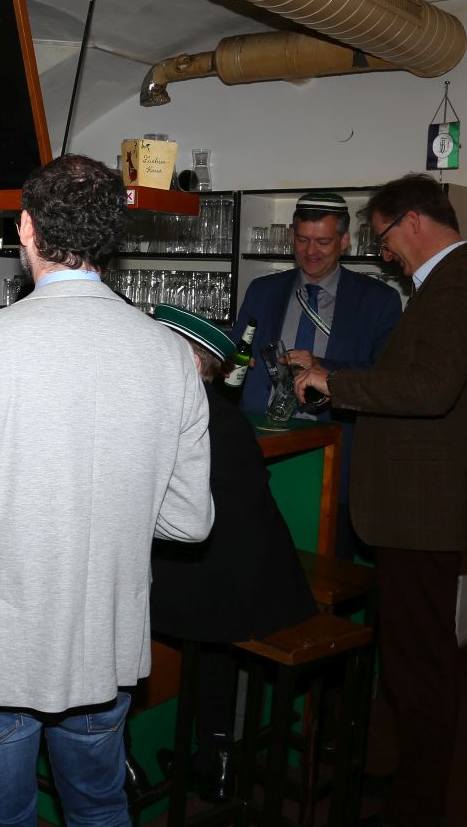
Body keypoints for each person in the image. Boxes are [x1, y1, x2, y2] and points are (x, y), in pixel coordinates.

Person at [0, 155, 215, 827]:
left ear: (25, 227)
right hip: (103, 639)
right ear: (113, 235)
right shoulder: (170, 354)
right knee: (99, 808)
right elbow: (191, 520)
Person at [295, 173, 467, 827]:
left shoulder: (459, 285)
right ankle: (415, 783)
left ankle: (417, 805)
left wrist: (333, 382)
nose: (385, 254)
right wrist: (336, 376)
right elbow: (413, 378)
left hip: (425, 511)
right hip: (421, 509)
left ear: (414, 220)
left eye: (385, 239)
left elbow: (429, 389)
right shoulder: (455, 282)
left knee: (420, 668)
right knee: (416, 660)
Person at [149, 304, 316, 802]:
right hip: (265, 583)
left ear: (185, 360)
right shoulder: (222, 414)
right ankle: (216, 753)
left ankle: (115, 763)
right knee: (211, 641)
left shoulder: (167, 417)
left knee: (104, 603)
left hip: (206, 591)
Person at [232, 191, 401, 559]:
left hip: (333, 455)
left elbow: (388, 379)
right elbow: (237, 355)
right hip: (264, 451)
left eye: (323, 242)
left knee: (324, 567)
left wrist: (323, 366)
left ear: (345, 240)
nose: (311, 251)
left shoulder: (378, 300)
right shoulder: (263, 290)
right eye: (302, 240)